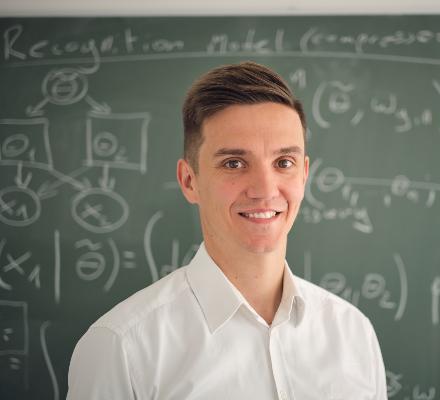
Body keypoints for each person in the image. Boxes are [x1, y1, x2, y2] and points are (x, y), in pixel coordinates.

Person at [66, 61, 388, 399]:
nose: (265, 190)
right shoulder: (121, 348)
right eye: (234, 163)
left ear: (304, 174)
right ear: (189, 181)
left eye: (284, 163)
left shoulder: (353, 333)